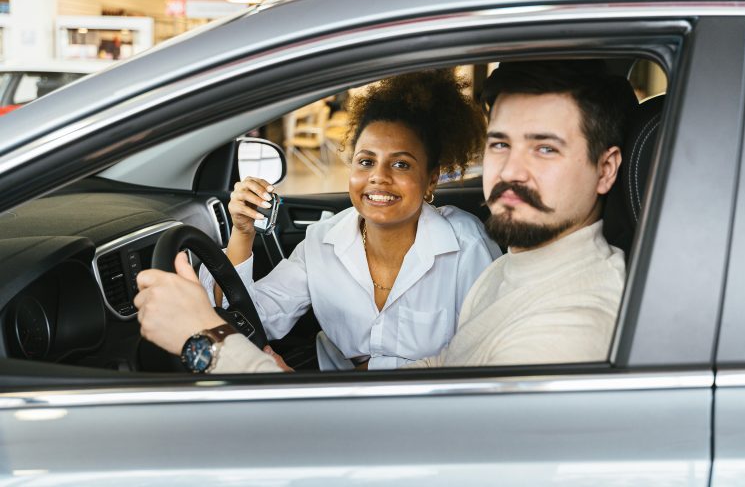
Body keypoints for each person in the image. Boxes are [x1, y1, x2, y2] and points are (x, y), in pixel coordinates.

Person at [135, 60, 636, 372]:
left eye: (546, 149)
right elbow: (453, 365)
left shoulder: (568, 323)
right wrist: (240, 236)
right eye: (501, 145)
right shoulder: (514, 269)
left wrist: (208, 343)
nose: (511, 171)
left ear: (606, 169)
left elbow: (413, 447)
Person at [139, 69, 500, 372]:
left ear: (432, 178)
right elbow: (252, 317)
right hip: (332, 404)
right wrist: (242, 233)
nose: (378, 176)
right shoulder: (323, 241)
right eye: (365, 161)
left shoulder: (466, 246)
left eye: (401, 164)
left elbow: (487, 353)